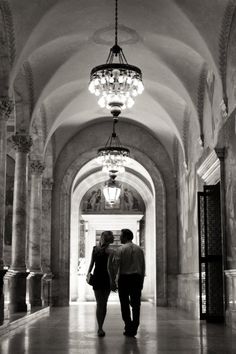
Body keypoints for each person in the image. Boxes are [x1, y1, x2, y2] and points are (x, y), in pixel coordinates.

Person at [112, 228, 145, 337]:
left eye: (121, 236)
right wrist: (141, 282)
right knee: (136, 304)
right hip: (136, 278)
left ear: (125, 237)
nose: (119, 237)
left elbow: (115, 266)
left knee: (124, 304)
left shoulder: (120, 250)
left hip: (124, 279)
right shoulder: (139, 250)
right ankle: (135, 326)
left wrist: (113, 281)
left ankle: (128, 325)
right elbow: (142, 267)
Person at [86, 230, 115, 337]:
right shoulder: (111, 251)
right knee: (104, 303)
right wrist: (113, 281)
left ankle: (100, 328)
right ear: (108, 239)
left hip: (97, 276)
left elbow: (91, 263)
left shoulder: (95, 249)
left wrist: (88, 274)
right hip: (106, 278)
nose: (114, 238)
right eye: (112, 237)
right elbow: (110, 268)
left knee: (99, 303)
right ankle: (100, 327)